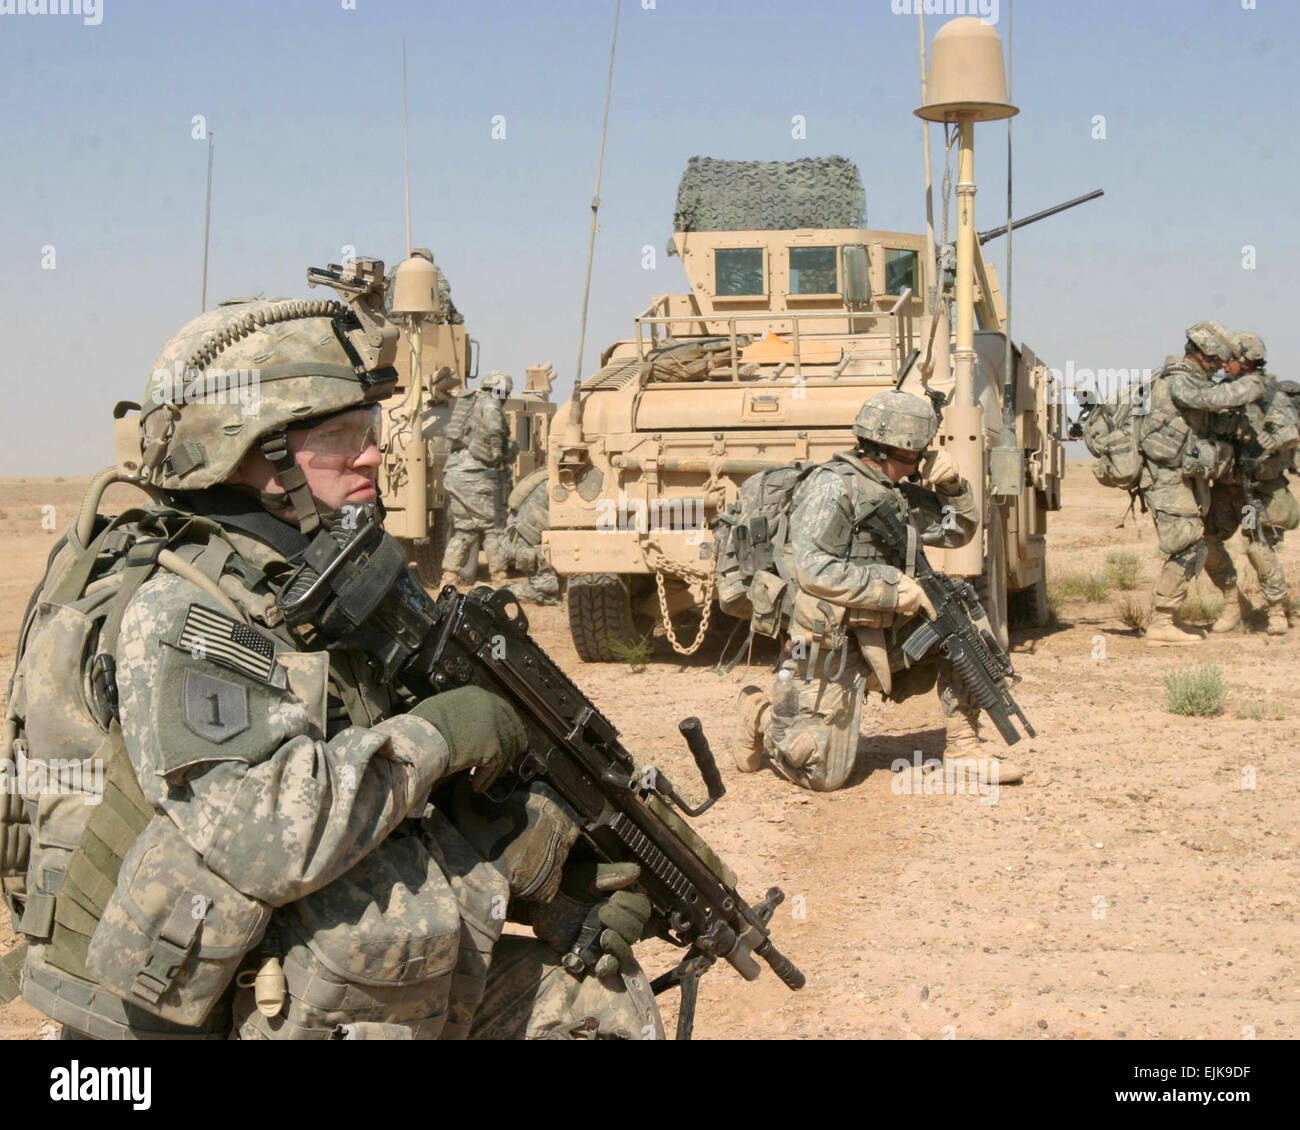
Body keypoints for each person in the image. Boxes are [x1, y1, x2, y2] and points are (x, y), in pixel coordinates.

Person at [0, 278, 657, 1040]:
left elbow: (359, 760)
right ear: (254, 450)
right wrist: (440, 735)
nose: (376, 452)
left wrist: (553, 868)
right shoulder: (186, 607)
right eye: (344, 435)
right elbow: (259, 834)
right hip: (180, 1019)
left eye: (372, 427)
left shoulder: (293, 579)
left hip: (269, 973)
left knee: (596, 1002)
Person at [731, 388, 1023, 792]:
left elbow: (958, 532)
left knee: (961, 622)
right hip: (833, 641)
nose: (922, 462)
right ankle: (760, 713)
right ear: (892, 448)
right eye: (917, 454)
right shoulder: (833, 487)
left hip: (886, 627)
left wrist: (953, 486)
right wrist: (891, 587)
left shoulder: (894, 491)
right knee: (820, 772)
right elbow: (812, 569)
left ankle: (962, 747)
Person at [1136, 321, 1268, 645]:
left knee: (1200, 541)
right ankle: (1162, 621)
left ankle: (1175, 617)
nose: (1221, 368)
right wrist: (1251, 386)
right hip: (1166, 479)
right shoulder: (1178, 380)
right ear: (1203, 354)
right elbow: (1209, 399)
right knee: (1189, 543)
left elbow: (1208, 419)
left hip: (1184, 478)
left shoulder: (1192, 381)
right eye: (1217, 361)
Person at [1203, 331, 1298, 635]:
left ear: (1247, 361)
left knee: (1257, 546)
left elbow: (1289, 433)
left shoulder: (1267, 393)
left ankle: (1276, 610)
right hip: (1224, 488)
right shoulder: (1224, 393)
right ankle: (1233, 603)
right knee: (1205, 542)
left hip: (1251, 491)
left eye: (1231, 358)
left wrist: (1262, 447)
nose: (1224, 363)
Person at [440, 371, 515, 590]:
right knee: (494, 527)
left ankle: (449, 576)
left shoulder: (469, 403)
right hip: (476, 475)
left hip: (454, 473)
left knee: (465, 529)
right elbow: (494, 428)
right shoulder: (491, 404)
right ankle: (500, 576)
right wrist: (499, 453)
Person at [500, 468, 561, 605]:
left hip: (522, 538)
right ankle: (504, 592)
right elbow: (532, 530)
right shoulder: (551, 485)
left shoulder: (549, 477)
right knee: (548, 590)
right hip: (524, 542)